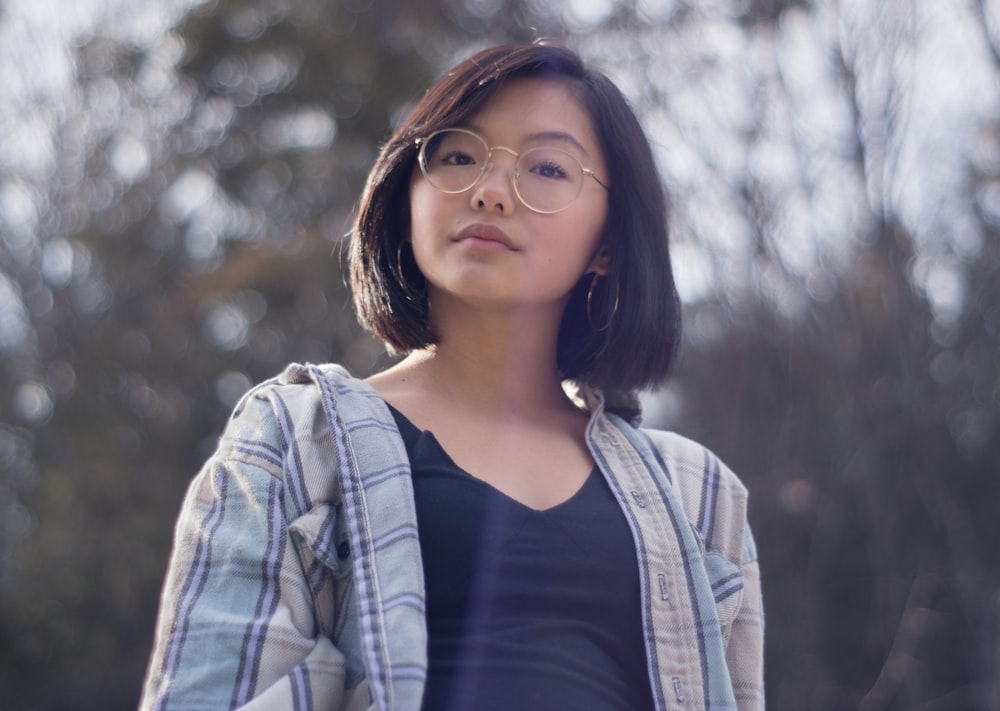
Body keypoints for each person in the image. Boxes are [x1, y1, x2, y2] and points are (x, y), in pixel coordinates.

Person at [140, 42, 764, 711]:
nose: (490, 192)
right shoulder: (294, 443)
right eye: (458, 156)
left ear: (607, 246)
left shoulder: (698, 495)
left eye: (548, 167)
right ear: (407, 193)